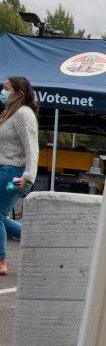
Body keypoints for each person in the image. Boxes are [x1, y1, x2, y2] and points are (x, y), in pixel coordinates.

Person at [0, 76, 39, 276]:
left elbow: (32, 148)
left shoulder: (24, 114)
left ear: (19, 92)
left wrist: (29, 175)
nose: (3, 92)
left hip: (13, 172)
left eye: (6, 89)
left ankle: (1, 261)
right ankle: (38, 241)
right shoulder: (10, 114)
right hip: (5, 169)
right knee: (1, 216)